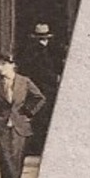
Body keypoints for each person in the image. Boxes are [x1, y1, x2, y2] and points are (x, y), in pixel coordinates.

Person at [0, 53, 47, 178]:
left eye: (3, 64)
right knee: (5, 159)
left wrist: (28, 113)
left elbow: (39, 98)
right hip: (2, 127)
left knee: (17, 160)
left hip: (20, 126)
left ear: (12, 65)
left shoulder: (24, 81)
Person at [21, 22, 65, 151]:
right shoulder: (31, 50)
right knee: (39, 116)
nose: (43, 38)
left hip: (51, 87)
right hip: (38, 87)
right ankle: (37, 146)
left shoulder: (54, 49)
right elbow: (33, 69)